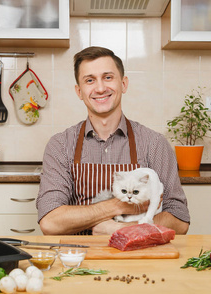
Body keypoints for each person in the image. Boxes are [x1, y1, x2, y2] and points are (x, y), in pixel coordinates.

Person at [36, 46, 189, 235]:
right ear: (79, 91)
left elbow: (180, 219)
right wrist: (117, 206)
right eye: (90, 80)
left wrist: (122, 230)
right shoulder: (61, 145)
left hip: (139, 256)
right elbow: (50, 223)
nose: (100, 88)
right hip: (79, 256)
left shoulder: (154, 143)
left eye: (108, 77)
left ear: (123, 84)